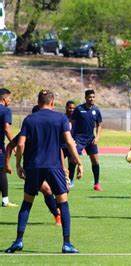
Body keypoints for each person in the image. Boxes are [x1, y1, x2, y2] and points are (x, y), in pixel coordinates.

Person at [5, 90, 83, 254]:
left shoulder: (30, 119)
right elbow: (69, 142)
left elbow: (20, 144)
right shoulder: (60, 118)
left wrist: (19, 164)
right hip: (54, 166)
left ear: (38, 101)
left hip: (33, 166)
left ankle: (19, 240)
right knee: (63, 202)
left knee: (27, 203)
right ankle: (66, 243)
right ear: (52, 101)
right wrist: (78, 161)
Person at [70, 89, 103, 191]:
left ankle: (96, 184)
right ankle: (70, 181)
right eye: (89, 97)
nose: (91, 99)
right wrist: (71, 137)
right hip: (79, 138)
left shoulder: (96, 110)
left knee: (95, 161)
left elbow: (99, 124)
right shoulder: (79, 109)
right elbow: (71, 122)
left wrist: (97, 136)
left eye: (93, 97)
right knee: (73, 159)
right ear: (85, 98)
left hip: (90, 139)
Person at [0, 88, 17, 207]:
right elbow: (7, 128)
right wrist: (14, 144)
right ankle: (5, 200)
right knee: (1, 171)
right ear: (4, 99)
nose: (10, 100)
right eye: (9, 98)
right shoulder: (5, 110)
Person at [63, 100, 76, 187]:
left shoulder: (76, 119)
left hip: (72, 144)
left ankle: (70, 180)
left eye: (73, 108)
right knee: (58, 163)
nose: (71, 110)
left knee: (73, 162)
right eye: (70, 108)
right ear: (66, 107)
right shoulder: (62, 118)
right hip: (62, 144)